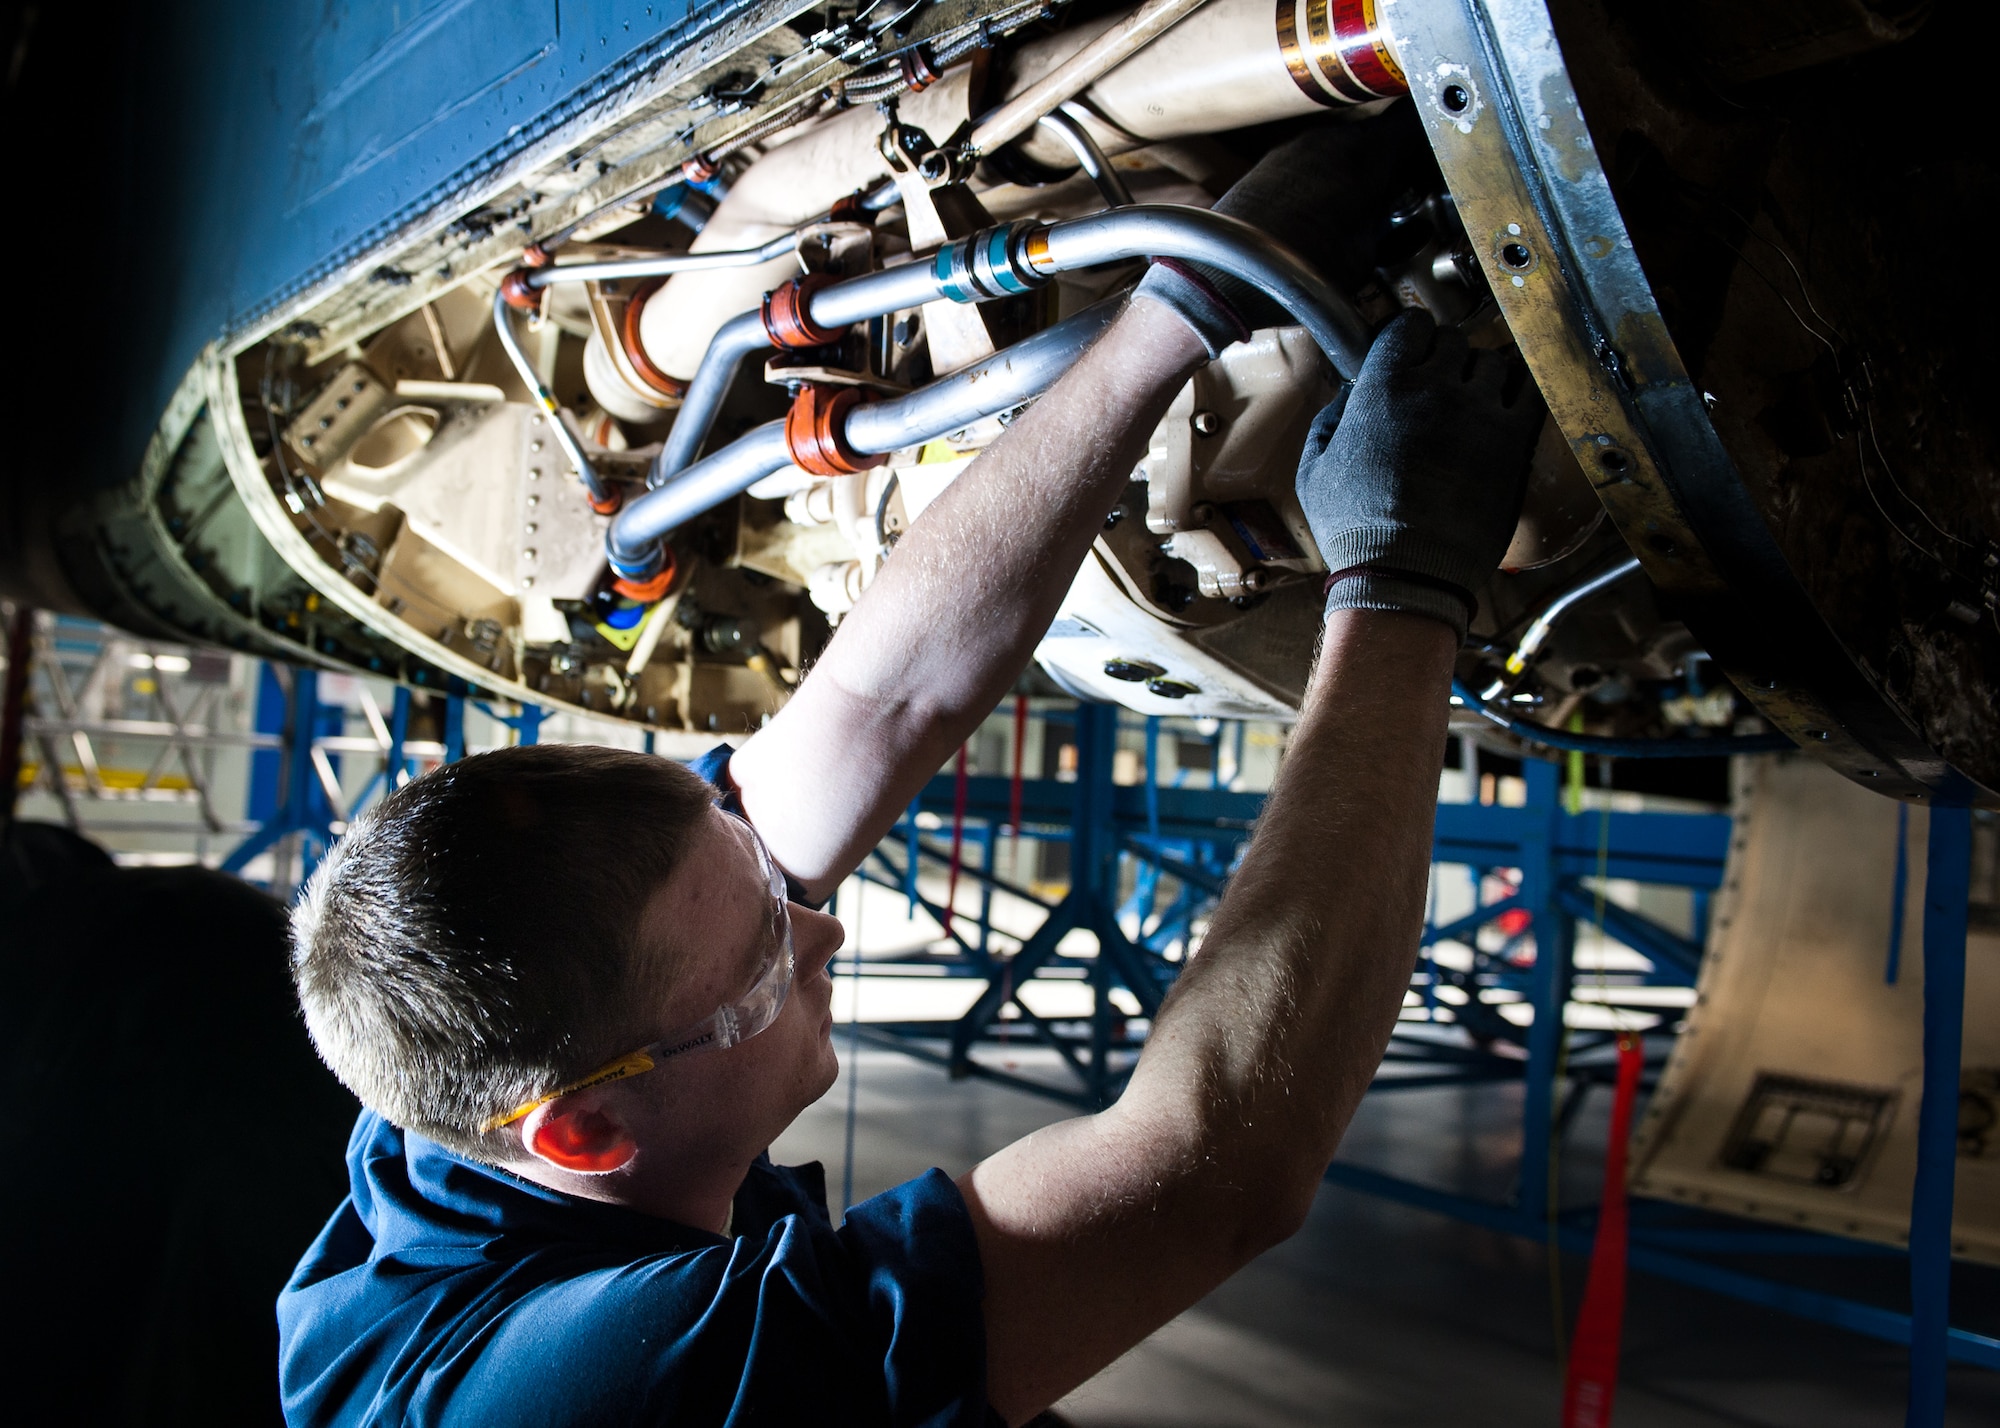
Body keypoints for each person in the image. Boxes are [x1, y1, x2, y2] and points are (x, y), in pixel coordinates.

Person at [278, 121, 1544, 1427]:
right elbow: (1210, 1171)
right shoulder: (601, 1397)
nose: (818, 925)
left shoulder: (470, 1098)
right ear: (588, 1136)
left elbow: (883, 701)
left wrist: (1179, 305)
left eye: (766, 884)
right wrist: (1400, 584)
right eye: (764, 957)